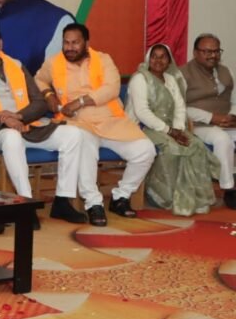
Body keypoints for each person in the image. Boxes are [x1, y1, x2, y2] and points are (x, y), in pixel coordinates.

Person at [0, 25, 96, 224]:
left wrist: (19, 117)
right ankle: (25, 204)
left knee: (74, 135)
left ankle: (62, 201)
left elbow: (39, 102)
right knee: (12, 138)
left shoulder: (16, 65)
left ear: (0, 44)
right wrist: (6, 120)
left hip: (29, 125)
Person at [36, 23, 155, 225]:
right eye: (66, 43)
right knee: (85, 148)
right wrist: (48, 94)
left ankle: (121, 196)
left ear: (86, 43)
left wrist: (80, 101)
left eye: (75, 43)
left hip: (110, 121)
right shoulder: (54, 62)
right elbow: (38, 80)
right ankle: (93, 203)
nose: (70, 47)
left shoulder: (103, 59)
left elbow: (112, 88)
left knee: (146, 151)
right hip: (78, 122)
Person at [126, 44, 218, 215]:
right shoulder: (140, 79)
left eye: (163, 57)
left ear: (169, 61)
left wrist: (178, 130)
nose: (158, 60)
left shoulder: (170, 79)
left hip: (171, 127)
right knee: (172, 148)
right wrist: (170, 132)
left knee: (196, 145)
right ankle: (162, 195)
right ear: (148, 59)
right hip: (143, 127)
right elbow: (142, 112)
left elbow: (180, 107)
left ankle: (195, 196)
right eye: (154, 56)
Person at [180, 33, 236, 209]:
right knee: (222, 139)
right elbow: (180, 108)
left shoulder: (226, 71)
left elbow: (234, 99)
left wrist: (233, 116)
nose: (213, 55)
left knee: (226, 135)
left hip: (227, 122)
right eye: (207, 51)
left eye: (216, 51)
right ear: (195, 52)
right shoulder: (182, 74)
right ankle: (229, 188)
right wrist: (212, 118)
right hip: (198, 125)